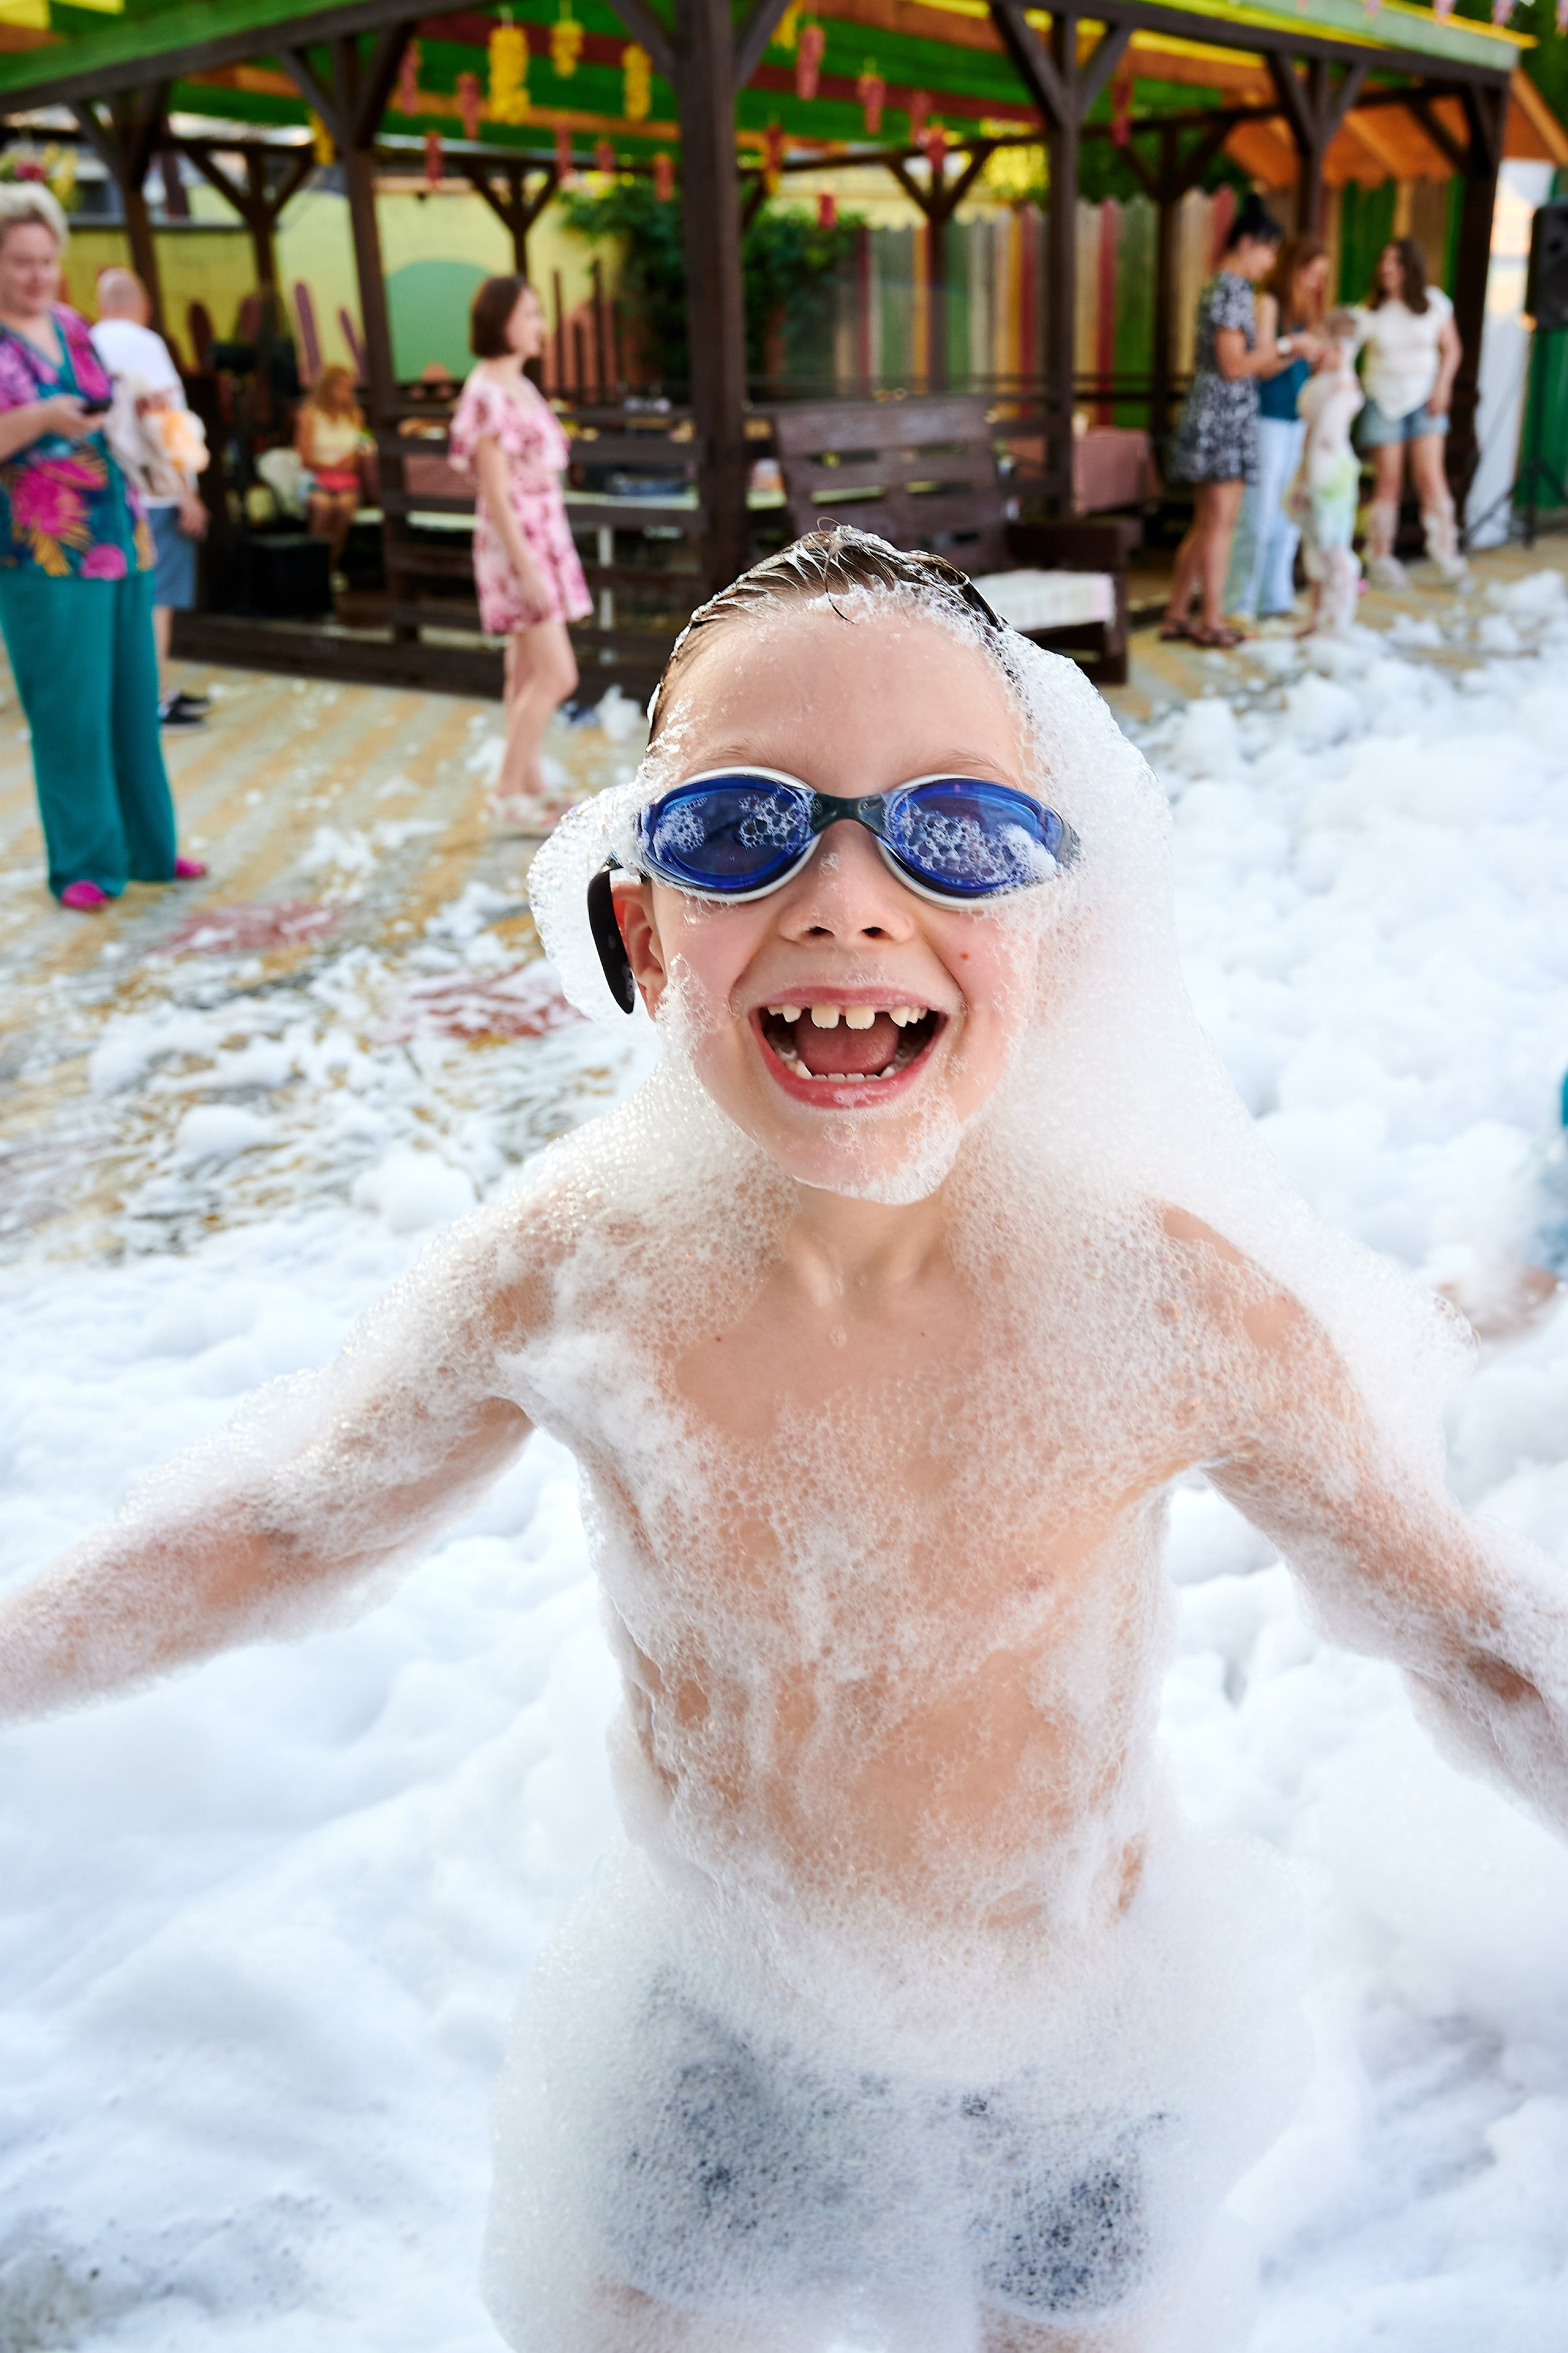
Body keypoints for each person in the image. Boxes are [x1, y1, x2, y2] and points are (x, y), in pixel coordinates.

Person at [6, 525, 1567, 2349]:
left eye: (957, 832)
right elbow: (288, 1521)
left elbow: (1469, 1631)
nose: (846, 895)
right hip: (717, 2006)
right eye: (744, 823)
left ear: (1055, 940)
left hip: (1072, 2025)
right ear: (641, 922)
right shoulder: (572, 1273)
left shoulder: (1168, 1310)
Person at [0, 186, 204, 911]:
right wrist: (41, 418)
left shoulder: (71, 325)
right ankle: (84, 862)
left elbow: (105, 409)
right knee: (70, 710)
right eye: (20, 261)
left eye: (46, 261)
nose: (36, 275)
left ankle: (150, 846)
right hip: (42, 551)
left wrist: (140, 411)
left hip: (121, 531)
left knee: (130, 700)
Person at [448, 276, 589, 829]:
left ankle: (528, 781)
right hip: (518, 547)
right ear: (503, 320)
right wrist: (529, 570)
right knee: (558, 676)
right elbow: (496, 494)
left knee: (527, 672)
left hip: (541, 539)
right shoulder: (486, 393)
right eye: (530, 314)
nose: (540, 326)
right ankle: (506, 791)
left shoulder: (516, 387)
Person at [1160, 194, 1286, 650]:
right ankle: (1211, 621)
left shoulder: (1218, 286)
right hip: (1223, 416)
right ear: (1248, 242)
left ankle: (1176, 614)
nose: (1270, 262)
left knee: (1205, 522)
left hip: (1208, 411)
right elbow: (1234, 365)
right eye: (1269, 250)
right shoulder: (1233, 289)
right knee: (1220, 523)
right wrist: (1282, 350)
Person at [91, 266, 210, 731]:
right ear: (144, 305)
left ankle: (133, 695)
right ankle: (154, 697)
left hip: (104, 494)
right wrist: (187, 494)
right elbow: (167, 425)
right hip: (154, 492)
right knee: (156, 598)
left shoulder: (86, 345)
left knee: (120, 599)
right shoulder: (146, 345)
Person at [1223, 234, 1329, 625]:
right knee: (1259, 512)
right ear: (1296, 269)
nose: (1316, 284)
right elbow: (1265, 365)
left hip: (1297, 419)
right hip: (1267, 417)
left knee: (1288, 512)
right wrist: (1295, 348)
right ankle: (1239, 601)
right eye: (1312, 274)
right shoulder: (1269, 302)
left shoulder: (1308, 309)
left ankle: (1276, 595)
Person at [1354, 237, 1465, 589]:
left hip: (1425, 399)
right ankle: (1380, 554)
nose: (1387, 269)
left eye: (1395, 262)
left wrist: (1442, 386)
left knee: (1429, 476)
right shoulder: (1370, 311)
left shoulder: (1433, 303)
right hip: (1383, 400)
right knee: (1388, 482)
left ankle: (1447, 552)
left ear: (1410, 268)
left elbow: (1452, 349)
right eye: (1384, 262)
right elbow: (1344, 351)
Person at [1286, 308, 1365, 639]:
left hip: (1333, 475)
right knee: (1314, 547)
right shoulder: (1321, 384)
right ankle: (1317, 615)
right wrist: (1303, 475)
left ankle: (1339, 621)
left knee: (1334, 547)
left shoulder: (1344, 386)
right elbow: (1310, 435)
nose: (1318, 351)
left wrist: (1344, 358)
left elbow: (1330, 436)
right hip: (1311, 471)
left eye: (1326, 344)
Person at [293, 363, 369, 581]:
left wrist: (344, 467)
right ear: (329, 388)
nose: (348, 394)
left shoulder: (356, 416)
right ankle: (313, 562)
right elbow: (305, 458)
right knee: (324, 507)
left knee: (345, 507)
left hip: (345, 480)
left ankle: (331, 563)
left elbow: (357, 453)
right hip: (314, 478)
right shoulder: (309, 415)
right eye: (343, 388)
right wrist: (332, 467)